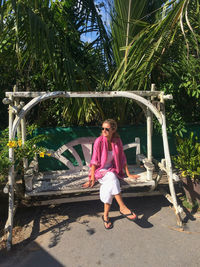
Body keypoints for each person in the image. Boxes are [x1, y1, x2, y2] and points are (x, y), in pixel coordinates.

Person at [82, 119, 140, 229]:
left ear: (113, 130)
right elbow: (94, 161)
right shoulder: (99, 141)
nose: (104, 131)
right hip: (100, 171)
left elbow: (122, 158)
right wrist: (92, 178)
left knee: (110, 184)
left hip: (113, 170)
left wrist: (128, 173)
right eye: (102, 128)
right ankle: (122, 207)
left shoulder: (117, 141)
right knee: (112, 179)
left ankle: (106, 216)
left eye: (107, 129)